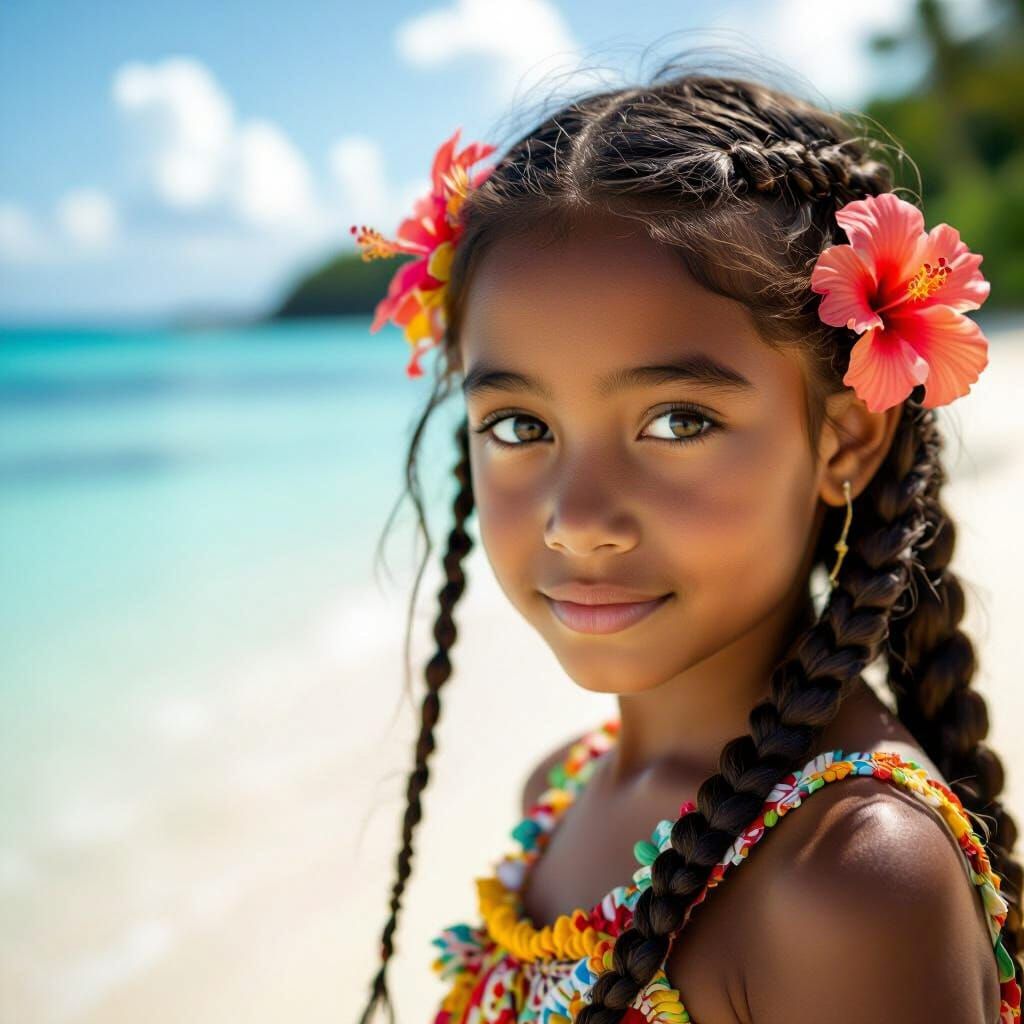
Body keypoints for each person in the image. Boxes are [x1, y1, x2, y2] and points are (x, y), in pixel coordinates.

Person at [350, 57, 1023, 1023]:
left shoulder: (852, 877)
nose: (577, 519)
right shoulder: (559, 789)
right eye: (518, 426)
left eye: (676, 423)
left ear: (846, 438)